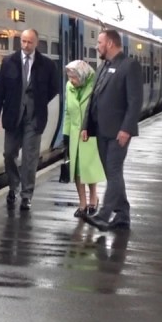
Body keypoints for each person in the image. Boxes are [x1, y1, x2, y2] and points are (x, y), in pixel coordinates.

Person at [0, 28, 60, 210]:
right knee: (9, 154)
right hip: (13, 117)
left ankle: (26, 195)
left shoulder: (46, 65)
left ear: (36, 43)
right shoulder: (8, 62)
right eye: (23, 41)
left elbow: (54, 87)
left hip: (34, 119)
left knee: (30, 158)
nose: (26, 45)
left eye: (30, 42)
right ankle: (13, 186)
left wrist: (39, 101)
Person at [82, 29, 143, 230]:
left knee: (114, 171)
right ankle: (123, 215)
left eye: (99, 42)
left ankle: (104, 215)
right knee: (111, 173)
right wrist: (86, 126)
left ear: (109, 44)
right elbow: (93, 98)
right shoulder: (102, 67)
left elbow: (135, 101)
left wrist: (126, 128)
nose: (96, 46)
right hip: (101, 130)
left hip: (118, 132)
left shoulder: (129, 66)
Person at [63, 60, 105, 218]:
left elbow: (100, 110)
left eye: (74, 78)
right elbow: (67, 111)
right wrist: (65, 134)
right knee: (77, 171)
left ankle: (93, 198)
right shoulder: (69, 87)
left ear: (83, 76)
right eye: (69, 77)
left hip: (90, 134)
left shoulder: (95, 86)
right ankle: (82, 203)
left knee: (89, 169)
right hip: (75, 135)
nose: (71, 81)